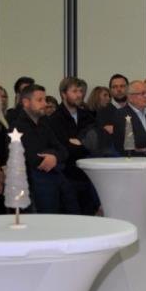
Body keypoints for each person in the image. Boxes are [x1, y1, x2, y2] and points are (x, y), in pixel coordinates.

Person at [13, 84, 76, 214]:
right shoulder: (17, 127)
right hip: (32, 184)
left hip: (53, 177)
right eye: (39, 100)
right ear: (26, 102)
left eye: (45, 100)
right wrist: (54, 155)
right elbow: (34, 158)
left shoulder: (44, 122)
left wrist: (53, 157)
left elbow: (63, 150)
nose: (45, 104)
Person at [48, 76, 99, 215]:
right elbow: (65, 148)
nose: (79, 95)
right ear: (63, 94)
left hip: (88, 176)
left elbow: (96, 143)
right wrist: (83, 145)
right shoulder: (55, 119)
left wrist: (80, 144)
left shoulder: (88, 116)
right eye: (74, 91)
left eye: (81, 91)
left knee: (89, 217)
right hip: (67, 176)